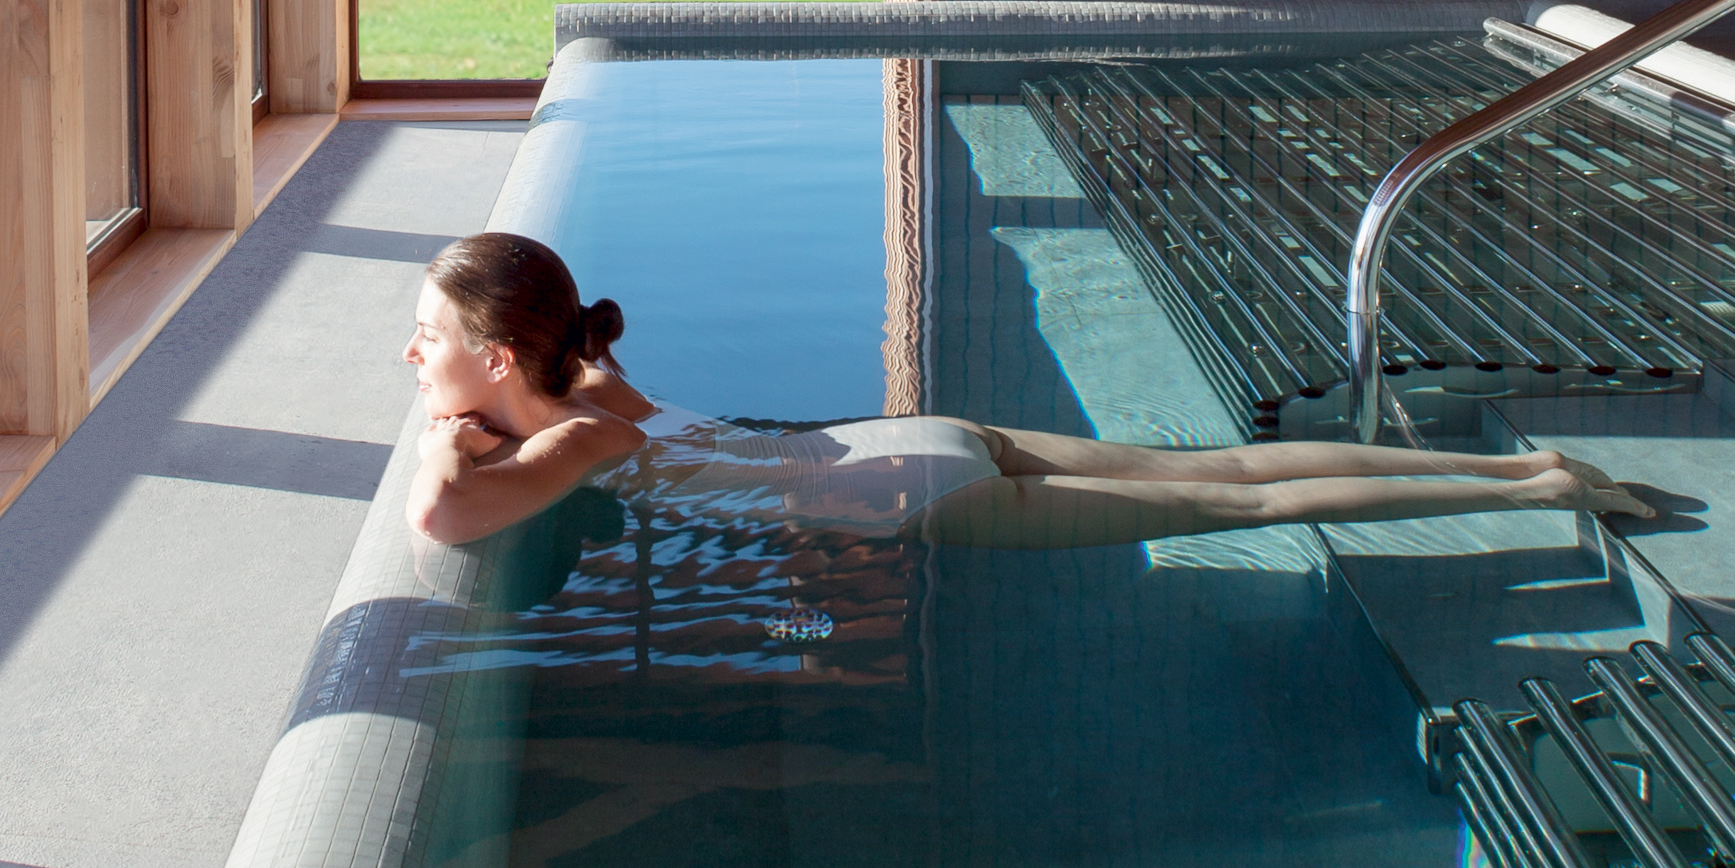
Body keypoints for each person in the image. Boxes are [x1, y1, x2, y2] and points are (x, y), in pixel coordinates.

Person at [402, 233, 1665, 552]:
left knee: (1247, 513)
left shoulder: (564, 436)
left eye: (427, 340)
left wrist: (444, 444)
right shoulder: (598, 379)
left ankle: (1539, 487)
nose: (415, 361)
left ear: (498, 359)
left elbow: (444, 521)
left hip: (916, 499)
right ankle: (1520, 469)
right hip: (909, 436)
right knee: (1216, 471)